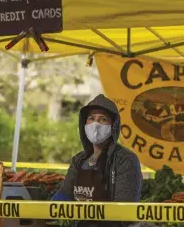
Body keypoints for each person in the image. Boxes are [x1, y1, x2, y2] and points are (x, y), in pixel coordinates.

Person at [51, 94, 143, 227]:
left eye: (103, 119)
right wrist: (48, 208)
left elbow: (125, 209)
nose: (95, 124)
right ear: (84, 124)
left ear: (113, 126)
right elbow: (65, 194)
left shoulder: (125, 159)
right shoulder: (79, 160)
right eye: (91, 119)